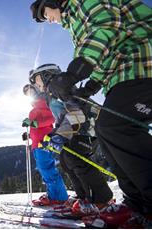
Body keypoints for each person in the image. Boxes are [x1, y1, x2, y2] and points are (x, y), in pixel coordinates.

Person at [30, 1, 152, 227]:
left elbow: (104, 28)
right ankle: (137, 204)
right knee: (108, 132)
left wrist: (76, 72)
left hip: (143, 62)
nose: (49, 20)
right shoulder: (75, 22)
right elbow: (110, 53)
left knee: (115, 128)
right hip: (125, 70)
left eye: (46, 14)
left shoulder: (83, 3)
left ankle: (108, 199)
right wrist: (92, 86)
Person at [29, 64, 113, 216]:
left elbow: (76, 113)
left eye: (37, 79)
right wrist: (55, 134)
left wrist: (60, 135)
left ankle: (102, 200)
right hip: (74, 131)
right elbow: (62, 118)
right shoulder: (53, 94)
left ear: (47, 75)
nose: (36, 84)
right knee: (66, 161)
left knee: (78, 162)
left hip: (85, 129)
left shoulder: (60, 88)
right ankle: (83, 198)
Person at [22, 83, 68, 206]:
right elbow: (35, 127)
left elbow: (52, 118)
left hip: (45, 142)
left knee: (47, 169)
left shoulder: (44, 102)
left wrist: (33, 124)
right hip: (37, 144)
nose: (30, 95)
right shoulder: (35, 107)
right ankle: (53, 195)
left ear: (37, 89)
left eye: (31, 91)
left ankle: (59, 197)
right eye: (27, 94)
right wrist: (29, 135)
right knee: (45, 170)